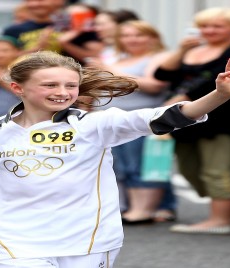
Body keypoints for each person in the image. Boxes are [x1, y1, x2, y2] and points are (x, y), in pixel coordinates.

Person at [0, 51, 230, 267]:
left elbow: (165, 117)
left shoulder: (94, 126)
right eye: (50, 84)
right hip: (15, 242)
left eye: (70, 85)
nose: (62, 92)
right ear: (18, 88)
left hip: (89, 240)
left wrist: (220, 96)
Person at [155, 7, 230, 234]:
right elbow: (162, 75)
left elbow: (226, 81)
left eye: (218, 26)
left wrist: (184, 97)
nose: (210, 30)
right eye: (204, 26)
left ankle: (220, 220)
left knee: (218, 169)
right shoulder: (192, 49)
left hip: (222, 118)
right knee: (189, 169)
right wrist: (180, 50)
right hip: (185, 117)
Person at [86, 20, 173, 224]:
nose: (131, 40)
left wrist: (108, 69)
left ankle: (145, 209)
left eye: (138, 35)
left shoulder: (159, 57)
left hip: (139, 119)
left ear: (153, 38)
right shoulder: (114, 57)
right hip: (105, 119)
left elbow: (154, 85)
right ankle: (128, 207)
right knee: (117, 167)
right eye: (126, 35)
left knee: (142, 166)